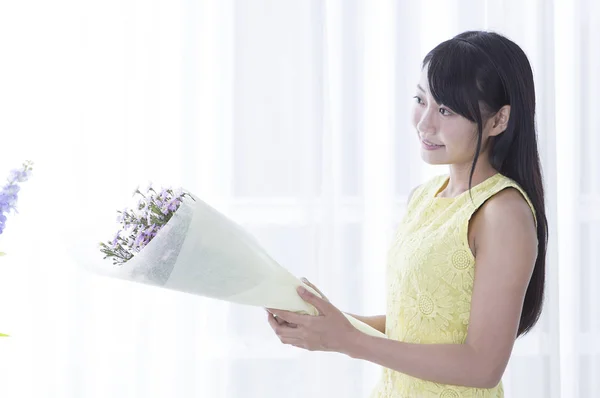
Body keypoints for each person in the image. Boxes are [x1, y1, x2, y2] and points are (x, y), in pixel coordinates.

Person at [266, 30, 548, 398]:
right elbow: (414, 328)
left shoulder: (502, 212)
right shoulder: (425, 196)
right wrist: (327, 323)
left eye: (445, 109)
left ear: (499, 120)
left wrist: (348, 340)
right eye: (421, 99)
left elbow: (482, 366)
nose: (424, 123)